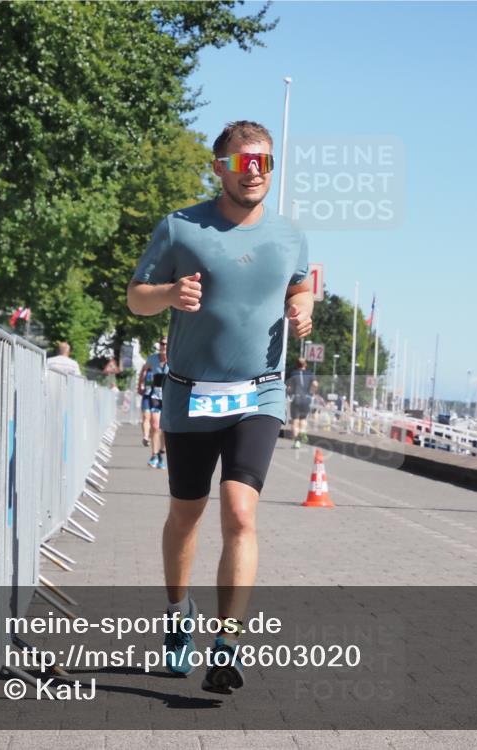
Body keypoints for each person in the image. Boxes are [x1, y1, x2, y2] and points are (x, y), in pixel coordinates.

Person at [127, 120, 312, 694]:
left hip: (259, 390)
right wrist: (168, 294)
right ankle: (179, 615)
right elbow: (136, 298)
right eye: (242, 162)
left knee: (240, 513)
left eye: (264, 163)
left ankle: (226, 647)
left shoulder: (289, 235)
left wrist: (303, 309)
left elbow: (298, 284)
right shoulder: (181, 227)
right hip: (190, 392)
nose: (254, 172)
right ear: (220, 168)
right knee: (188, 513)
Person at [140, 337, 169, 469]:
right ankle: (154, 454)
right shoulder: (152, 358)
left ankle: (160, 455)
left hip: (170, 396)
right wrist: (140, 384)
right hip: (155, 395)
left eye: (166, 344)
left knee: (165, 429)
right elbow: (144, 369)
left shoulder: (175, 359)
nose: (163, 346)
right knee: (156, 425)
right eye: (162, 344)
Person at [286, 357, 317, 448]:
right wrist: (312, 392)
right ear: (305, 364)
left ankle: (297, 442)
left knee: (295, 421)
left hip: (296, 398)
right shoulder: (310, 374)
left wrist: (289, 393)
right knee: (303, 419)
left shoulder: (293, 374)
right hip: (306, 398)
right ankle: (303, 431)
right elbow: (315, 384)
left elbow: (289, 388)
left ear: (296, 365)